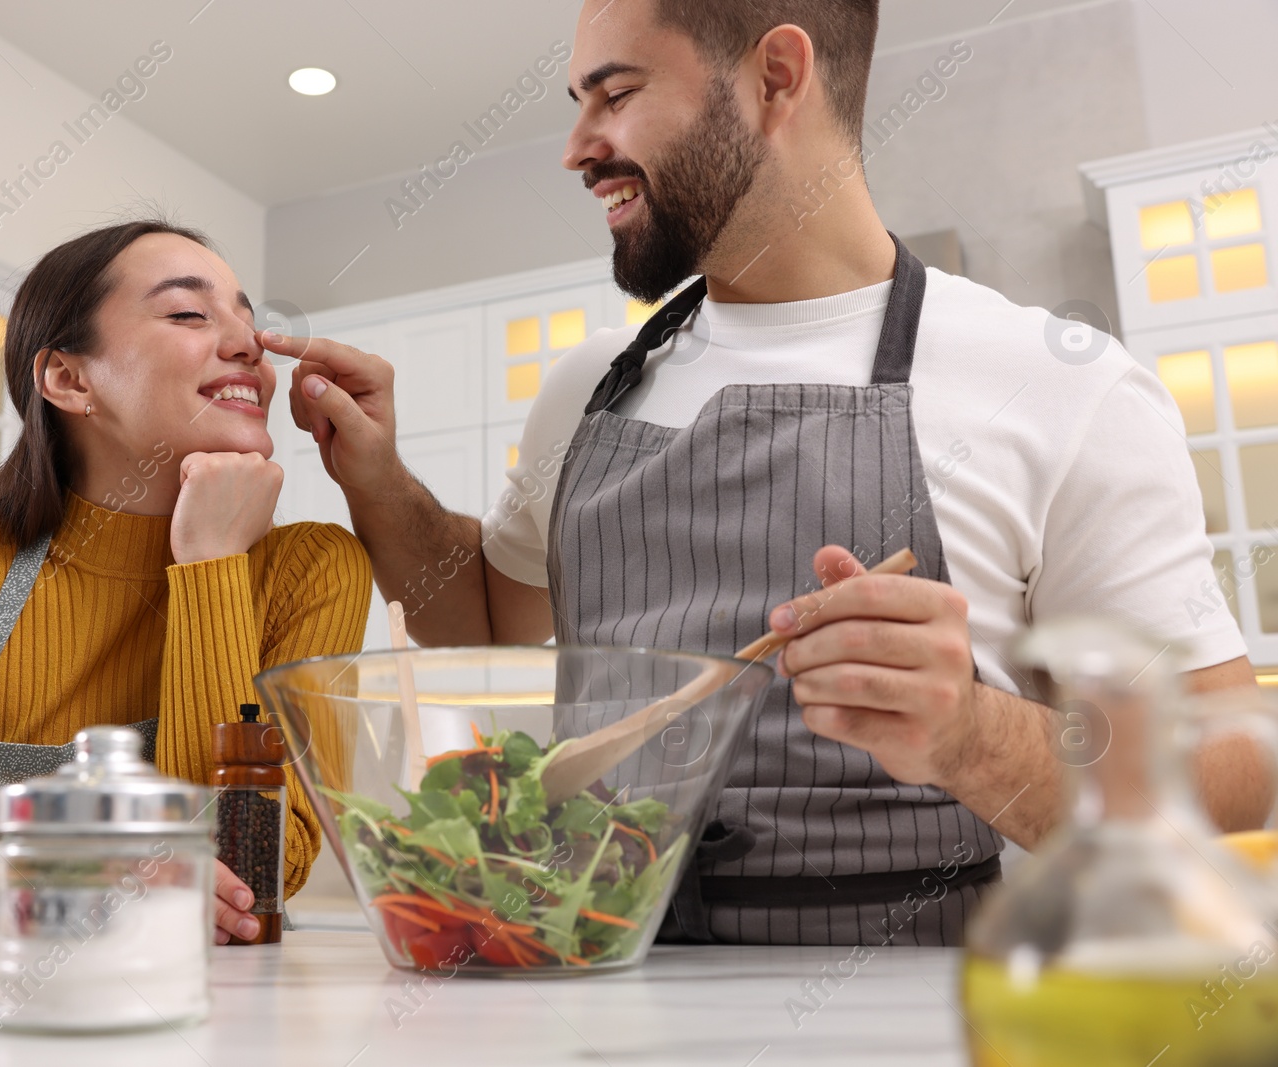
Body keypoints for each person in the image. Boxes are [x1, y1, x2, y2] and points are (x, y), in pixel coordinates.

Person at [267, 0, 1268, 946]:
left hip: (902, 1017)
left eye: (614, 96)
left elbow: (1233, 770)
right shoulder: (587, 387)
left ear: (775, 78)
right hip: (589, 984)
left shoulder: (1058, 383)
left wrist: (973, 734)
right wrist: (376, 478)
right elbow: (486, 623)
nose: (575, 149)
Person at [0, 220, 371, 944]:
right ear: (68, 378)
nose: (251, 345)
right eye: (188, 312)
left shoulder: (314, 571)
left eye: (249, 320)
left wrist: (208, 564)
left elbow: (253, 874)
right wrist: (97, 875)